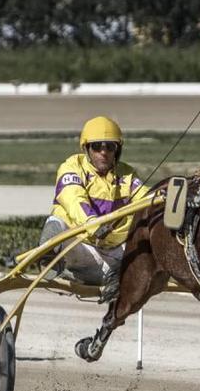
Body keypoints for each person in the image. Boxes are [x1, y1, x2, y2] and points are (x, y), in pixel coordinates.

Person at [39, 116, 148, 303]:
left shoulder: (128, 175)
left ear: (117, 150)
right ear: (87, 149)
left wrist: (166, 197)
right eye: (97, 146)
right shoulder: (72, 167)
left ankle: (113, 277)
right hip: (80, 246)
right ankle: (51, 258)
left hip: (114, 255)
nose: (103, 152)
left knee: (147, 240)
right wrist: (92, 223)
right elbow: (73, 198)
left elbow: (146, 199)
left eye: (110, 147)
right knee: (57, 224)